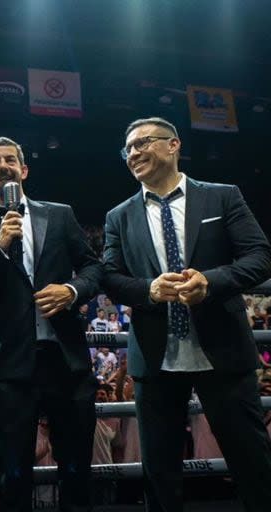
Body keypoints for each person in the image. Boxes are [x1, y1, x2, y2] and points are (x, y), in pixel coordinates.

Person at [102, 116, 271, 511]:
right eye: (128, 148)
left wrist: (210, 282)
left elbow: (260, 256)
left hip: (223, 351)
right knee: (159, 475)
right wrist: (148, 289)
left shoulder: (222, 196)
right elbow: (109, 276)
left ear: (173, 144)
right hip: (155, 356)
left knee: (253, 465)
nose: (134, 153)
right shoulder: (118, 216)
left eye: (143, 143)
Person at [0, 136, 102, 512]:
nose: (3, 165)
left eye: (10, 159)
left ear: (24, 169)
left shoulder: (60, 215)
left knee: (75, 469)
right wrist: (0, 246)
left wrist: (72, 290)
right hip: (13, 368)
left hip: (66, 360)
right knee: (14, 474)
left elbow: (93, 267)